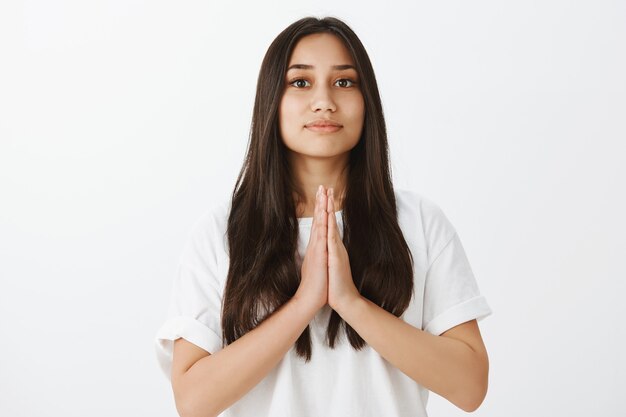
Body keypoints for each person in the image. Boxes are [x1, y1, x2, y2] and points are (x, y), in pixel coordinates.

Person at [154, 16, 493, 417]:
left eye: (344, 82)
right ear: (271, 101)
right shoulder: (221, 233)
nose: (324, 101)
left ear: (368, 101)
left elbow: (470, 386)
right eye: (300, 82)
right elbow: (193, 401)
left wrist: (350, 302)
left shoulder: (419, 222)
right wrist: (303, 303)